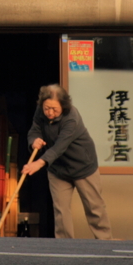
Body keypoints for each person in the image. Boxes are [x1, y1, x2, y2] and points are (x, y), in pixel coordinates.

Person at [22, 83, 112, 240]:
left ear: (63, 105)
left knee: (94, 208)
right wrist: (33, 141)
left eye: (54, 109)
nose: (49, 112)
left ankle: (105, 242)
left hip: (83, 166)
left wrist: (39, 163)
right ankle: (64, 246)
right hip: (57, 169)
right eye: (46, 108)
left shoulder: (72, 118)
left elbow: (59, 146)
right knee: (60, 210)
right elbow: (34, 129)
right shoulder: (40, 111)